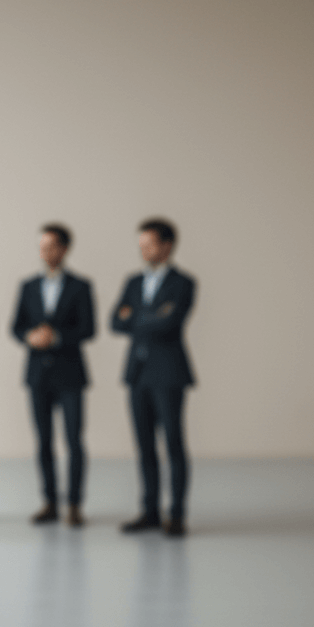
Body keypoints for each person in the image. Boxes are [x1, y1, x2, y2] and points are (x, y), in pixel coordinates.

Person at [110, 218, 196, 537]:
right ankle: (149, 510)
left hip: (169, 373)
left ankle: (176, 514)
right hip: (137, 372)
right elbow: (114, 322)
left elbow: (171, 323)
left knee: (173, 443)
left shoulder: (183, 283)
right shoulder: (133, 281)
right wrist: (151, 317)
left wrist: (136, 317)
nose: (144, 250)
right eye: (141, 245)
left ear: (167, 246)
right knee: (144, 446)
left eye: (150, 244)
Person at [11, 224, 96, 527]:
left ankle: (74, 503)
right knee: (43, 440)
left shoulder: (81, 286)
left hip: (70, 373)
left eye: (51, 246)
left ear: (64, 249)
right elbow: (16, 326)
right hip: (38, 375)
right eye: (41, 246)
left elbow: (89, 328)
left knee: (74, 440)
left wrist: (57, 336)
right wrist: (30, 336)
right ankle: (49, 501)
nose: (45, 252)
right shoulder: (28, 286)